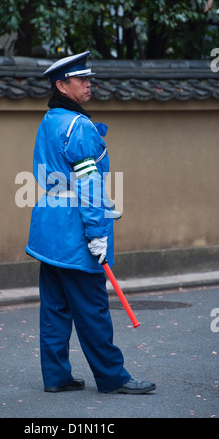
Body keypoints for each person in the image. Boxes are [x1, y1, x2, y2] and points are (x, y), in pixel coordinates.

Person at [25, 51, 156, 394]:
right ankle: (113, 378)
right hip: (74, 231)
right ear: (61, 85)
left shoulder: (51, 119)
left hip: (48, 227)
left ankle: (56, 377)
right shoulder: (78, 125)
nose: (88, 84)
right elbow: (88, 184)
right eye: (80, 79)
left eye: (87, 78)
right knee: (93, 308)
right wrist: (97, 233)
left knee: (55, 307)